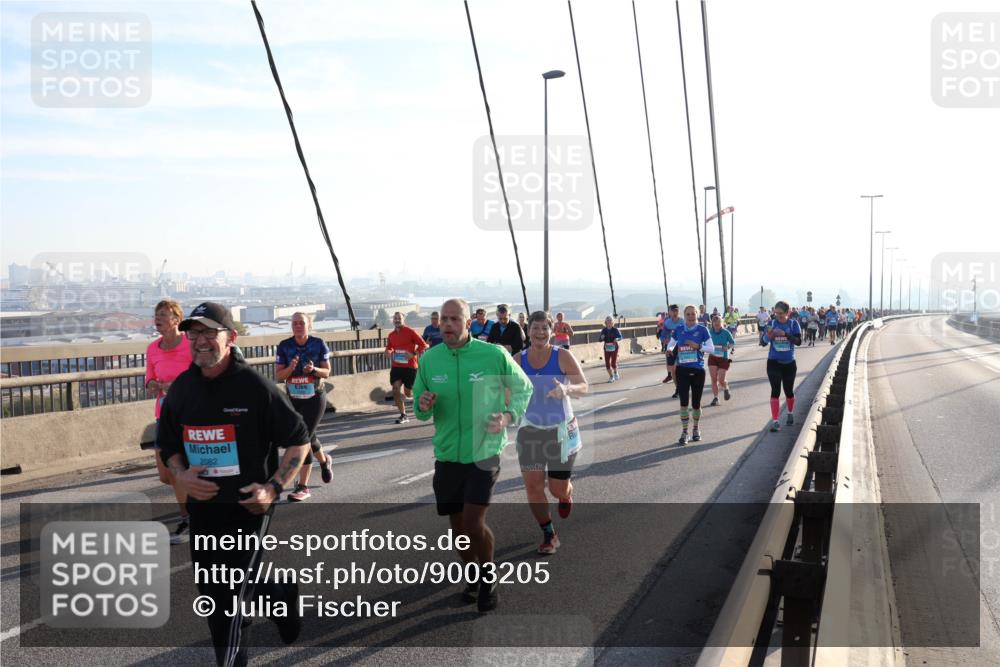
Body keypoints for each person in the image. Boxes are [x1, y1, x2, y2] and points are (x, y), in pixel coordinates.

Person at [158, 302, 310, 667]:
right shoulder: (182, 388)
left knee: (229, 601)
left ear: (231, 338)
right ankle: (279, 592)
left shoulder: (254, 387)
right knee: (212, 591)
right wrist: (180, 475)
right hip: (203, 509)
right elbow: (168, 447)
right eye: (193, 333)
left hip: (248, 507)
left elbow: (299, 440)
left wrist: (272, 488)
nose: (200, 341)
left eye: (210, 332)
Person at [413, 298, 534, 612]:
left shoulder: (492, 355)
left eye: (455, 319)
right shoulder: (429, 359)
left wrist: (508, 416)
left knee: (472, 522)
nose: (448, 325)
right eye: (444, 319)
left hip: (484, 451)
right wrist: (423, 405)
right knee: (456, 528)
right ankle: (474, 574)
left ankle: (489, 575)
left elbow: (523, 388)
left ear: (468, 323)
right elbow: (419, 407)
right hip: (447, 453)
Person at [517, 311, 589, 555]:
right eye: (535, 328)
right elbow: (508, 393)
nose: (539, 332)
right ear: (528, 331)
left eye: (544, 328)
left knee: (557, 489)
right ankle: (549, 533)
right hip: (530, 430)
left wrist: (567, 389)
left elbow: (584, 387)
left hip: (560, 430)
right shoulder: (518, 359)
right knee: (534, 486)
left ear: (551, 330)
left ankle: (566, 495)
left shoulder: (562, 356)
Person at [145, 299, 194, 545]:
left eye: (163, 314)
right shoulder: (152, 348)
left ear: (176, 319)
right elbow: (149, 378)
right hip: (163, 414)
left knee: (179, 471)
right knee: (166, 475)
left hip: (190, 414)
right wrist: (152, 384)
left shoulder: (190, 343)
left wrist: (178, 386)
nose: (158, 318)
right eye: (156, 314)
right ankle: (195, 511)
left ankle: (188, 519)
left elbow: (200, 375)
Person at [275, 312, 335, 502]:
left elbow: (327, 372)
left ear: (309, 325)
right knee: (309, 436)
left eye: (302, 323)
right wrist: (291, 368)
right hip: (293, 398)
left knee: (303, 439)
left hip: (314, 397)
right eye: (295, 323)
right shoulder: (284, 346)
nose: (298, 326)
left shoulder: (318, 343)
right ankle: (324, 461)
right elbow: (279, 377)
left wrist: (314, 370)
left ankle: (303, 486)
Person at [666, 305, 714, 444]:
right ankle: (685, 432)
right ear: (684, 315)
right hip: (682, 370)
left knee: (696, 404)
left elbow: (711, 349)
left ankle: (696, 429)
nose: (691, 316)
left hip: (698, 370)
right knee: (683, 403)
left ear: (697, 315)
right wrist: (669, 349)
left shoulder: (702, 330)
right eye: (688, 314)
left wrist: (698, 346)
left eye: (693, 314)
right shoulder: (679, 329)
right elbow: (672, 343)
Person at [759, 300, 802, 432]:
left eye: (781, 314)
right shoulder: (771, 323)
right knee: (775, 390)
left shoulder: (793, 324)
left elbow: (799, 341)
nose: (778, 316)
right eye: (776, 313)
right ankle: (776, 421)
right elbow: (763, 342)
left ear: (788, 312)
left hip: (789, 363)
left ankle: (790, 412)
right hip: (774, 362)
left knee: (788, 391)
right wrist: (768, 336)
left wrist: (785, 335)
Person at [385, 311, 428, 424]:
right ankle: (403, 415)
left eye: (399, 318)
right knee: (395, 389)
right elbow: (389, 347)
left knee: (408, 393)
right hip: (397, 366)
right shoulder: (391, 335)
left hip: (410, 367)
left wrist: (413, 354)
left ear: (404, 320)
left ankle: (423, 397)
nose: (397, 320)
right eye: (395, 318)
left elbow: (424, 345)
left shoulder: (410, 332)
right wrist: (388, 352)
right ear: (392, 320)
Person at [707, 314, 735, 406]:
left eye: (718, 322)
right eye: (715, 322)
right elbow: (704, 342)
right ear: (712, 323)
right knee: (714, 378)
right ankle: (716, 398)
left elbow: (732, 343)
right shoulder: (709, 332)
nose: (716, 324)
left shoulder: (726, 332)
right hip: (712, 357)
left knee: (721, 379)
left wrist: (727, 347)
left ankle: (726, 388)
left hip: (723, 358)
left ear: (721, 323)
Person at [660, 305, 683, 391]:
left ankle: (681, 387)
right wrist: (664, 340)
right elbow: (663, 334)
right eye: (672, 311)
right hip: (671, 346)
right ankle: (677, 387)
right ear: (669, 312)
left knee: (680, 368)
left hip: (681, 346)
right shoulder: (667, 322)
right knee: (672, 369)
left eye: (676, 311)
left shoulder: (682, 321)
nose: (674, 313)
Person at [599, 315, 624, 382]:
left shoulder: (615, 330)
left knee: (613, 363)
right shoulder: (604, 330)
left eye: (610, 321)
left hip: (614, 348)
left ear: (612, 322)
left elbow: (621, 337)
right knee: (607, 363)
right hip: (607, 348)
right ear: (605, 322)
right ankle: (611, 376)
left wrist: (617, 339)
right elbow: (599, 339)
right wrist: (602, 338)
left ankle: (615, 373)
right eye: (608, 321)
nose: (609, 322)